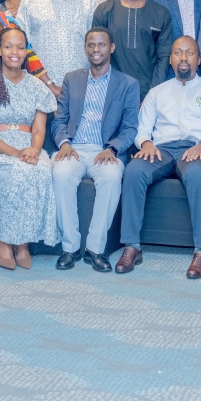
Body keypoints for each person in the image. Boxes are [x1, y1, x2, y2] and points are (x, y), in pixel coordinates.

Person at [115, 35, 201, 278]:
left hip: (197, 149)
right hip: (162, 149)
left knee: (198, 175)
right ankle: (131, 246)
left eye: (189, 53)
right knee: (134, 170)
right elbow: (142, 129)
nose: (184, 58)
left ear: (198, 60)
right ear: (171, 60)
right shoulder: (157, 93)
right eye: (178, 53)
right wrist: (145, 143)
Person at [0, 27, 59, 268]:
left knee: (41, 169)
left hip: (29, 146)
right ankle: (6, 242)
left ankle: (22, 241)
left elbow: (39, 130)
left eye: (20, 47)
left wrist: (35, 151)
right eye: (8, 46)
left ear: (26, 51)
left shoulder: (37, 87)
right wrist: (17, 153)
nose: (14, 52)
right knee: (16, 170)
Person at [51, 28, 139, 271]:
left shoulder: (128, 84)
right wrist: (64, 143)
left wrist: (113, 148)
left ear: (111, 48)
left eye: (101, 45)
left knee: (111, 178)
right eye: (91, 45)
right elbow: (59, 120)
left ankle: (95, 249)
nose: (96, 49)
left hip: (106, 150)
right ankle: (70, 248)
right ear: (85, 49)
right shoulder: (72, 78)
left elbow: (130, 127)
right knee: (60, 174)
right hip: (74, 148)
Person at [16, 0, 96, 99]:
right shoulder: (30, 2)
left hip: (80, 90)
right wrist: (47, 83)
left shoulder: (88, 4)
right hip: (38, 89)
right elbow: (22, 47)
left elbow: (95, 49)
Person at [92, 0, 173, 98]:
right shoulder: (105, 10)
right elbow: (97, 54)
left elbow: (164, 57)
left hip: (149, 92)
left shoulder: (160, 13)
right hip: (111, 92)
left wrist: (152, 95)